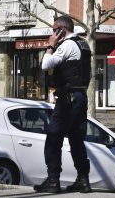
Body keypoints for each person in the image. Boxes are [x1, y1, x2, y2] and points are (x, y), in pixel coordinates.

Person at [34, 15, 92, 193]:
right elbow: (87, 74)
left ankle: (53, 181)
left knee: (53, 138)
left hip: (68, 98)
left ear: (61, 30)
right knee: (76, 140)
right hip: (80, 96)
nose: (52, 33)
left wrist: (51, 45)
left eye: (54, 30)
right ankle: (83, 180)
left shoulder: (66, 45)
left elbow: (46, 64)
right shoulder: (84, 45)